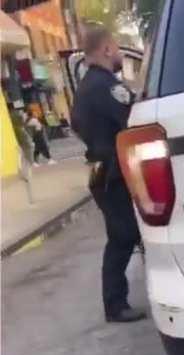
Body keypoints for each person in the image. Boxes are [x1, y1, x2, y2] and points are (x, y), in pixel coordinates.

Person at [71, 23, 144, 323]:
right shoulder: (106, 86)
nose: (117, 55)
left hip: (101, 171)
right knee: (123, 235)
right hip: (114, 172)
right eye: (114, 48)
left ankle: (117, 301)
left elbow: (77, 125)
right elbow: (134, 118)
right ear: (105, 49)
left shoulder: (86, 87)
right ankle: (114, 304)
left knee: (128, 232)